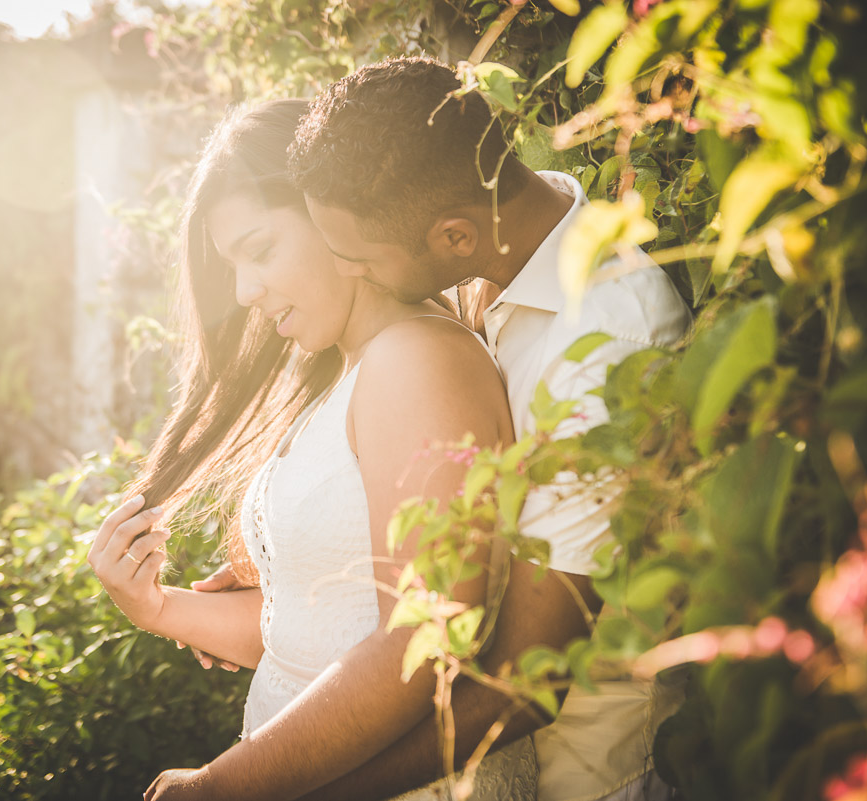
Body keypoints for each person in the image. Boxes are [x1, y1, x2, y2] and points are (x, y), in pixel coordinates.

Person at [188, 55, 693, 800]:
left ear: (452, 239)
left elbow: (527, 680)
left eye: (356, 257)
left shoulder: (605, 348)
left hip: (594, 777)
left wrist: (273, 786)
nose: (348, 272)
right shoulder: (502, 252)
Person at [86, 99, 537, 801]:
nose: (244, 290)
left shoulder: (417, 360)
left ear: (334, 215)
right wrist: (155, 605)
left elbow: (419, 648)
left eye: (260, 249)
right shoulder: (344, 375)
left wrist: (219, 786)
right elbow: (306, 635)